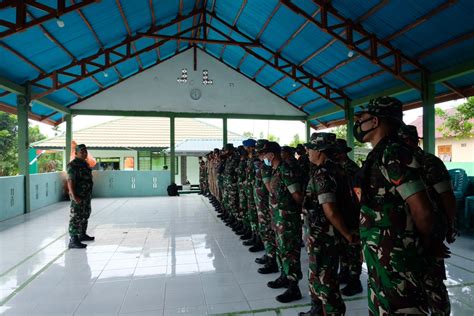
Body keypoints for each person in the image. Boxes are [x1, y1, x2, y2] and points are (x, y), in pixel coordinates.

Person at [353, 96, 449, 314]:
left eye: (363, 118)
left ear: (375, 121)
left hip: (398, 260)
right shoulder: (380, 154)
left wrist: (428, 244)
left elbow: (422, 209)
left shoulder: (392, 153)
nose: (359, 123)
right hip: (383, 258)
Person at [398, 124, 456, 315]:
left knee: (432, 280)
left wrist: (449, 226)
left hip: (429, 229)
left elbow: (446, 196)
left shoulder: (429, 162)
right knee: (415, 283)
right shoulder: (399, 162)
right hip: (406, 231)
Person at [300, 133, 357, 316]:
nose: (308, 151)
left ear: (321, 151)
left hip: (324, 236)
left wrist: (347, 234)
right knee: (318, 274)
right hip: (322, 235)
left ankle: (334, 312)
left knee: (327, 280)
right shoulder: (336, 169)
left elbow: (330, 209)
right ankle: (318, 310)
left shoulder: (324, 173)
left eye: (311, 148)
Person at [261, 141, 303, 303]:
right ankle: (285, 276)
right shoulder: (275, 170)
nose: (263, 157)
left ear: (272, 154)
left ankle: (294, 287)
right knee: (281, 249)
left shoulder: (286, 170)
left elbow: (298, 196)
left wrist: (298, 213)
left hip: (287, 219)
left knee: (290, 251)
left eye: (265, 154)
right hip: (277, 218)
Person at [333, 138, 363, 296]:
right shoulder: (337, 168)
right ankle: (344, 273)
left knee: (352, 248)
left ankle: (355, 280)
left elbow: (357, 195)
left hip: (352, 214)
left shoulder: (350, 169)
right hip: (342, 213)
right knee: (343, 247)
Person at [67, 144, 95, 249]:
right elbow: (70, 181)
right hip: (78, 196)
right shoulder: (73, 165)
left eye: (85, 151)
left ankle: (82, 234)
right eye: (82, 151)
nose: (84, 153)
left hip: (86, 195)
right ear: (76, 153)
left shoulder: (85, 164)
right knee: (76, 217)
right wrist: (74, 196)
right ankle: (73, 240)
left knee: (85, 214)